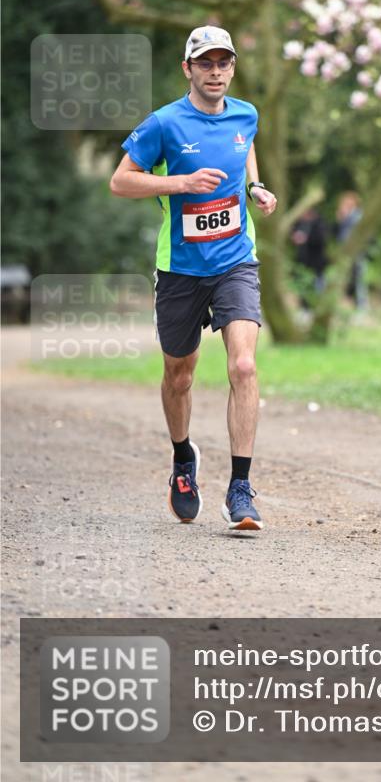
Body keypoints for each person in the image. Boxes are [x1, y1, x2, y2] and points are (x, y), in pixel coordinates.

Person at [110, 26, 277, 531]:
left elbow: (243, 145)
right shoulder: (163, 123)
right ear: (188, 68)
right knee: (179, 375)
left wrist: (255, 186)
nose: (216, 71)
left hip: (235, 260)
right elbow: (121, 181)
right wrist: (179, 182)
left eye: (224, 62)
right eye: (205, 63)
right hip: (180, 268)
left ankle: (241, 488)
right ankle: (183, 459)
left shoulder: (245, 114)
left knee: (244, 367)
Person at [335, 191, 369, 312]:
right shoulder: (346, 215)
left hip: (356, 250)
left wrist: (346, 217)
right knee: (347, 277)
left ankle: (362, 305)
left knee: (358, 276)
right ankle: (353, 303)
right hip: (345, 249)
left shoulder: (357, 215)